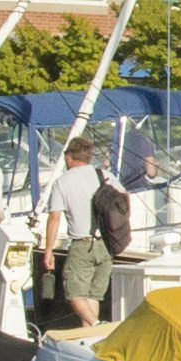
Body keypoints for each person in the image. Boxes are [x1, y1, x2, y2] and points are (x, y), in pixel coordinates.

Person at [39, 132, 112, 330]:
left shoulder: (63, 182)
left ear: (69, 157)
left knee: (74, 293)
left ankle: (96, 325)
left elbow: (54, 218)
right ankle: (88, 337)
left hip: (82, 245)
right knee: (93, 295)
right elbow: (123, 200)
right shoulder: (104, 175)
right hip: (106, 244)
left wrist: (48, 251)